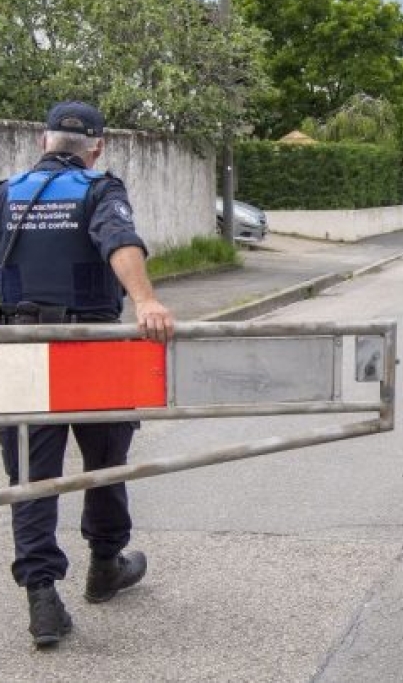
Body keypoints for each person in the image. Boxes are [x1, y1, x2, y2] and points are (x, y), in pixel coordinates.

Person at [0, 101, 175, 648]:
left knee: (33, 473)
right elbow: (119, 242)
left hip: (22, 346)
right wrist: (146, 301)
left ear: (41, 142)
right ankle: (104, 566)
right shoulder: (99, 189)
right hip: (92, 347)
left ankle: (43, 599)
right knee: (104, 462)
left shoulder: (7, 192)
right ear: (96, 148)